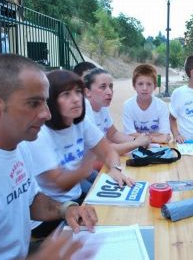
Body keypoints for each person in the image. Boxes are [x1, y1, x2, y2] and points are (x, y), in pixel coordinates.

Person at [0, 54, 97, 259]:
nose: (46, 114)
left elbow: (31, 200)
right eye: (34, 103)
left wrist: (67, 209)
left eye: (46, 102)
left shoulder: (20, 146)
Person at [26, 70, 134, 238]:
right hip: (48, 216)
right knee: (108, 226)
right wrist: (88, 163)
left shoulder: (80, 122)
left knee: (125, 213)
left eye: (78, 92)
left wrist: (115, 169)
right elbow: (60, 184)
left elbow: (108, 152)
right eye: (66, 94)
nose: (76, 99)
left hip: (75, 200)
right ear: (50, 100)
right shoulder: (39, 134)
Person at [84, 68, 151, 155]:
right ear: (87, 92)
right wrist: (136, 143)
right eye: (102, 87)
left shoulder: (102, 106)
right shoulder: (84, 112)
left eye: (111, 86)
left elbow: (113, 134)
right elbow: (103, 149)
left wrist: (137, 140)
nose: (109, 92)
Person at [123, 64, 171, 144]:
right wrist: (156, 138)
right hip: (136, 145)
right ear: (134, 86)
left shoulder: (162, 106)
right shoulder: (128, 105)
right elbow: (129, 134)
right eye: (140, 84)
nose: (145, 88)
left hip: (158, 147)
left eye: (149, 84)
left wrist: (141, 137)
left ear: (155, 86)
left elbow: (165, 135)